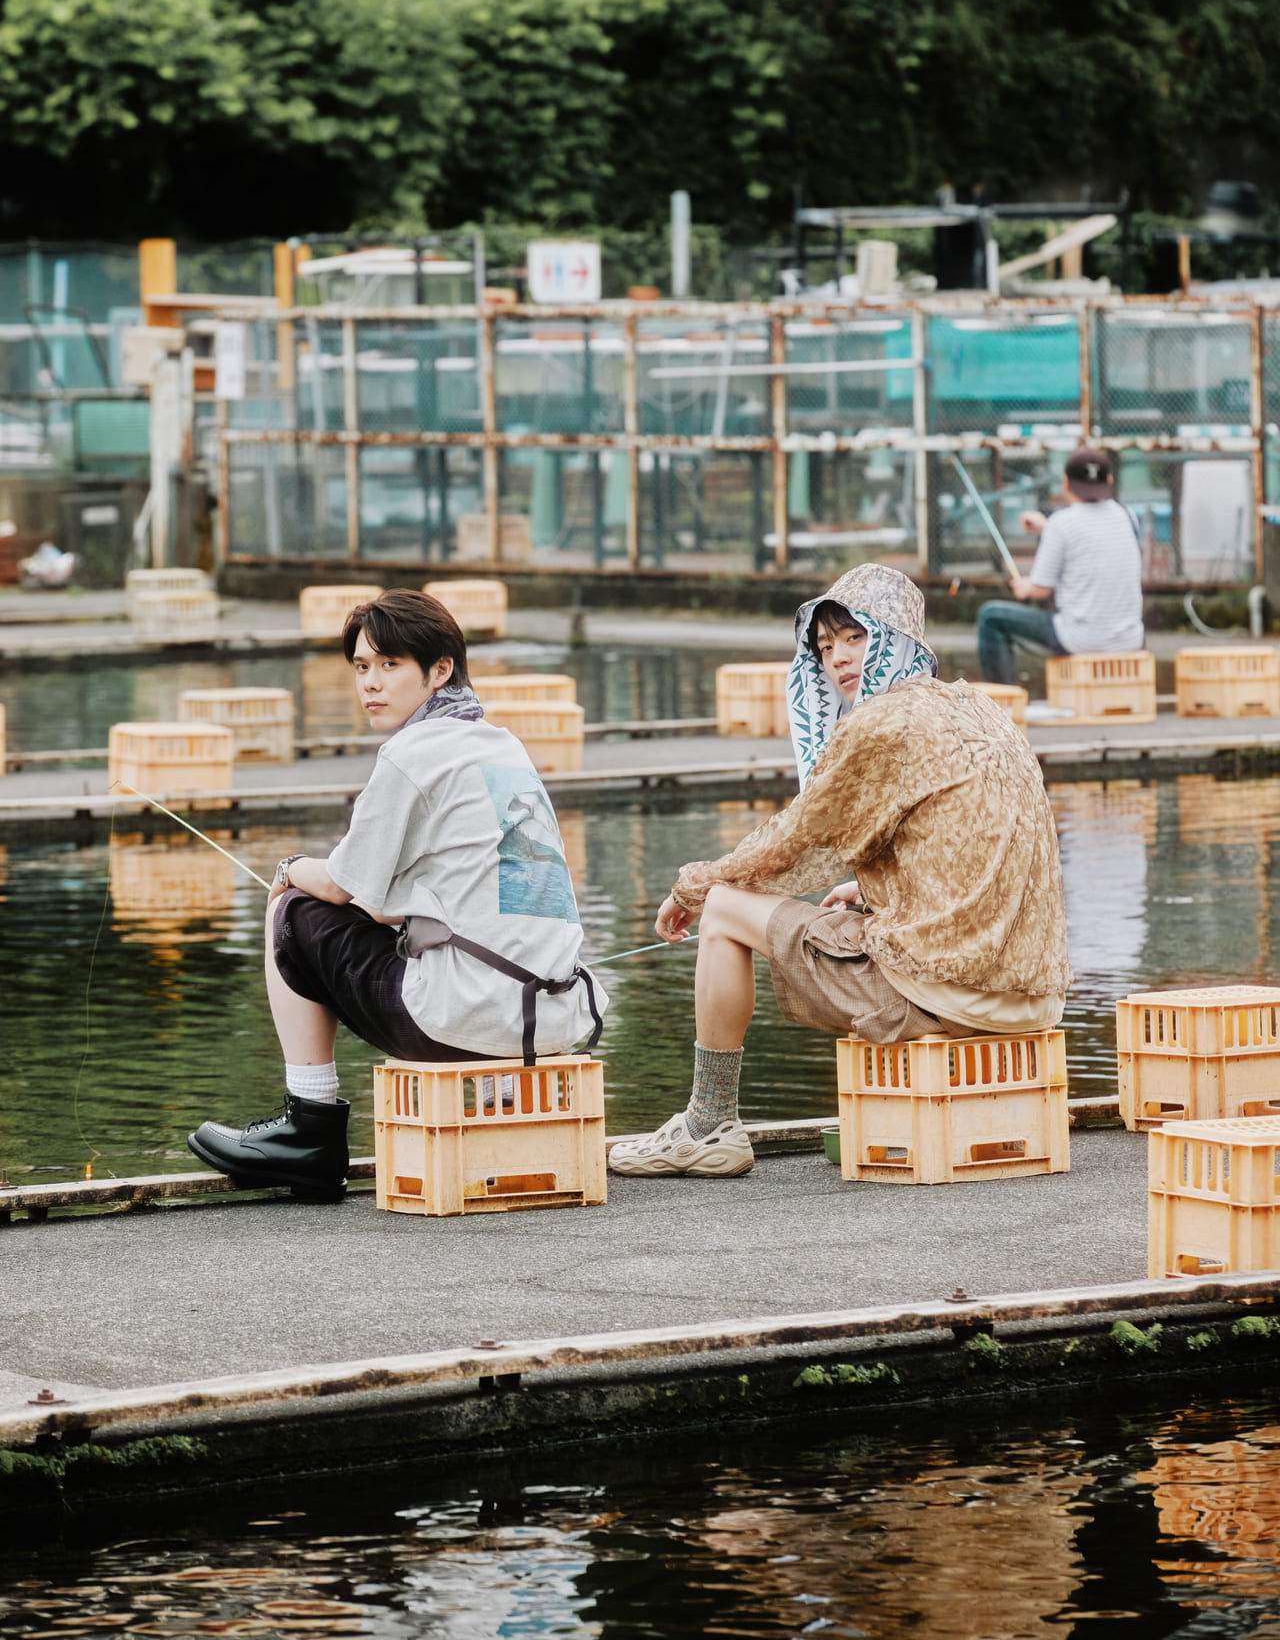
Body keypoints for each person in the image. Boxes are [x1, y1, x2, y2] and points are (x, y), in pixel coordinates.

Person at [607, 563, 1070, 1180]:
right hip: (1034, 1002)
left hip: (940, 999)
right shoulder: (977, 707)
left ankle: (707, 1125)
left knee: (722, 910)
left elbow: (794, 843)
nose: (839, 659)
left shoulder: (882, 722)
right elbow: (968, 840)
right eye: (825, 647)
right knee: (793, 901)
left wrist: (693, 886)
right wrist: (877, 886)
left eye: (855, 637)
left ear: (896, 636)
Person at [187, 590, 607, 1200]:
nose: (371, 684)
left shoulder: (414, 752)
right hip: (549, 1023)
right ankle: (494, 1114)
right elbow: (385, 902)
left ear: (439, 671)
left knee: (292, 910)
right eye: (362, 667)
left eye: (391, 666)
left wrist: (287, 866)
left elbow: (335, 885)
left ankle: (308, 1129)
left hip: (464, 1022)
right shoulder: (500, 745)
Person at [976, 447, 1143, 687]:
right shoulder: (1127, 516)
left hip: (1080, 639)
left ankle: (1001, 708)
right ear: (1109, 481)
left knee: (990, 617)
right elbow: (1095, 541)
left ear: (1066, 483)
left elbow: (1040, 590)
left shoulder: (1061, 524)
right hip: (1129, 639)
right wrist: (1047, 528)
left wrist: (1024, 587)